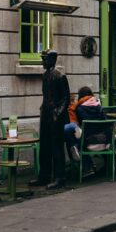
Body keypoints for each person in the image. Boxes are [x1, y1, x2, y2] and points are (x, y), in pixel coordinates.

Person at [29, 49, 70, 190]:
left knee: (56, 147)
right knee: (44, 146)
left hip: (55, 116)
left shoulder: (60, 76)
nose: (42, 61)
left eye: (44, 59)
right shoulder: (45, 75)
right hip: (45, 113)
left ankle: (60, 178)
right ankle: (44, 176)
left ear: (52, 59)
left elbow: (66, 98)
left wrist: (57, 114)